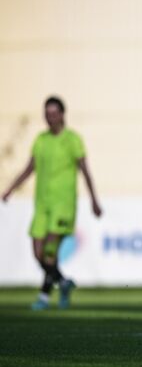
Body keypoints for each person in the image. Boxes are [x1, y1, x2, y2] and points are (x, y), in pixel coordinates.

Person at [2, 96, 102, 310]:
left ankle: (44, 297)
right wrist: (10, 189)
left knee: (49, 252)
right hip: (42, 204)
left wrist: (94, 199)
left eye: (54, 113)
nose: (50, 117)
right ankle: (64, 283)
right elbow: (30, 168)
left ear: (62, 115)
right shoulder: (41, 140)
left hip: (63, 204)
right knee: (38, 253)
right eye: (47, 114)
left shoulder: (73, 140)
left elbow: (85, 171)